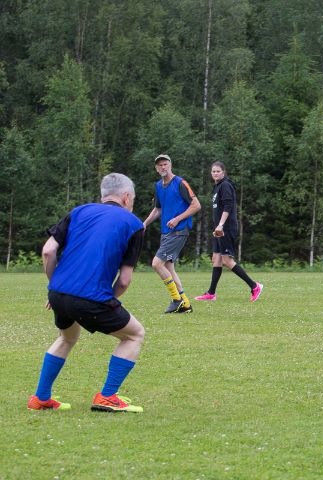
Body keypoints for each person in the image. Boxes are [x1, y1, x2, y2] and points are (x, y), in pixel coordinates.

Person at [28, 173, 145, 413]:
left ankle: (41, 398)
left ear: (104, 195)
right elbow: (124, 280)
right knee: (134, 335)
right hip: (91, 297)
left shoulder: (78, 212)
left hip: (58, 293)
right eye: (132, 199)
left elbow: (48, 251)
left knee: (66, 337)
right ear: (126, 197)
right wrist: (107, 301)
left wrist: (56, 285)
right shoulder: (134, 224)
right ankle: (108, 396)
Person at [195, 162, 263, 302]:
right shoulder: (217, 187)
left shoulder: (225, 185)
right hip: (219, 229)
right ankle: (211, 293)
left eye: (218, 171)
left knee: (227, 260)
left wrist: (220, 225)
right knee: (216, 259)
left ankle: (254, 286)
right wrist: (217, 227)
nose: (215, 173)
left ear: (223, 172)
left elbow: (228, 206)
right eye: (213, 171)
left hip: (226, 228)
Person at [143, 154, 201, 313]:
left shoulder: (181, 183)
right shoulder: (158, 186)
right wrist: (144, 224)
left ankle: (177, 300)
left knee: (157, 264)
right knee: (169, 268)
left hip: (179, 230)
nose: (163, 167)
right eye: (160, 165)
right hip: (166, 232)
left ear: (170, 165)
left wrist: (177, 219)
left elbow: (196, 205)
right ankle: (185, 304)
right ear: (156, 168)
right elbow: (157, 209)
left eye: (165, 164)